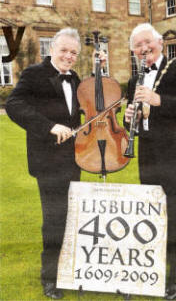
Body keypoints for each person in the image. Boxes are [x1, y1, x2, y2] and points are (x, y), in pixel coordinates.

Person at [124, 23, 176, 300]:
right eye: (137, 45)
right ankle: (155, 272)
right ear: (133, 51)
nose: (143, 48)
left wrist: (159, 100)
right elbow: (137, 122)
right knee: (152, 221)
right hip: (149, 161)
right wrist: (130, 120)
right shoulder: (132, 81)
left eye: (147, 42)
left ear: (159, 42)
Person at [6, 28, 88, 299]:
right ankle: (50, 279)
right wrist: (50, 126)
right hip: (48, 161)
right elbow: (15, 106)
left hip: (74, 160)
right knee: (54, 220)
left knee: (72, 218)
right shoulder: (33, 74)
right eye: (64, 50)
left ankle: (71, 270)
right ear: (52, 49)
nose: (68, 56)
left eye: (73, 52)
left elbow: (77, 116)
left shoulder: (75, 78)